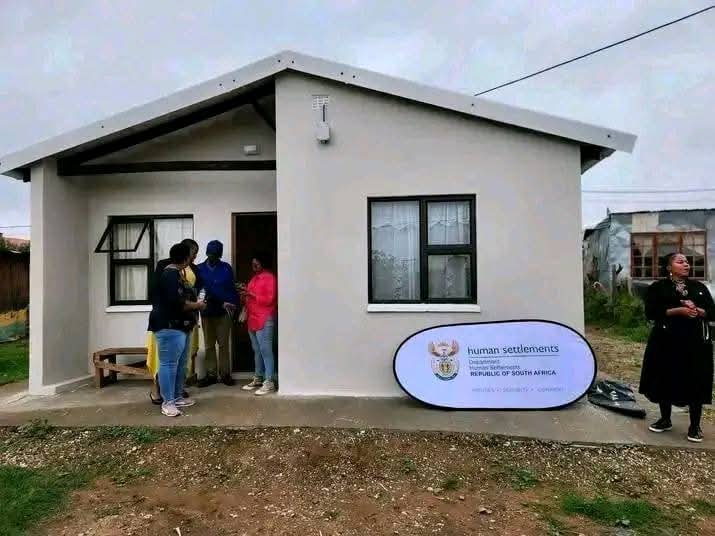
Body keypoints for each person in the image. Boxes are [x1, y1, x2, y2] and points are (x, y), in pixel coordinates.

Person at [640, 252, 714, 442]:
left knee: (695, 380)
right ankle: (665, 419)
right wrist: (679, 310)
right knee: (664, 377)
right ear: (669, 267)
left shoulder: (698, 287)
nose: (686, 264)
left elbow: (712, 311)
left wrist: (697, 310)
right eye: (680, 262)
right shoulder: (658, 288)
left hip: (695, 342)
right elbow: (651, 312)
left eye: (687, 262)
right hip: (666, 340)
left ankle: (695, 426)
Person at [148, 242, 206, 417]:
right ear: (186, 258)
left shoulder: (177, 273)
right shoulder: (169, 275)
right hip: (168, 326)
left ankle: (177, 396)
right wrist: (197, 305)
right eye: (192, 255)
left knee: (180, 363)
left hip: (181, 326)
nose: (193, 258)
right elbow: (178, 303)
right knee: (168, 364)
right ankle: (168, 402)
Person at [197, 240, 238, 386]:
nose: (212, 257)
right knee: (209, 345)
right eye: (210, 254)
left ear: (219, 255)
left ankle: (225, 374)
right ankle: (211, 374)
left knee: (223, 344)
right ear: (207, 253)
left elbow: (232, 288)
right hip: (207, 312)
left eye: (215, 255)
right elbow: (201, 291)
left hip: (224, 313)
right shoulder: (199, 269)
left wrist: (234, 305)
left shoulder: (226, 268)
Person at [239, 252, 278, 395]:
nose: (254, 265)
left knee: (266, 349)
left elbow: (270, 299)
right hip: (252, 317)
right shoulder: (254, 278)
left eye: (257, 263)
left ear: (263, 262)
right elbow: (250, 298)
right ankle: (258, 377)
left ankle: (269, 381)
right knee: (257, 349)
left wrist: (250, 294)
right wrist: (244, 294)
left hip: (265, 317)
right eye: (253, 263)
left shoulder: (270, 278)